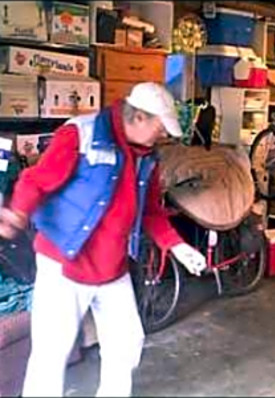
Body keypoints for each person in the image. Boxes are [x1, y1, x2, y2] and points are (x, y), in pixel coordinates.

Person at [0, 82, 208, 397]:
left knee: (126, 342)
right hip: (64, 262)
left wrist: (177, 246)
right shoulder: (79, 135)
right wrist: (17, 213)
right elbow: (36, 180)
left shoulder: (147, 157)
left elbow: (150, 211)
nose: (161, 136)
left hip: (111, 265)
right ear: (138, 117)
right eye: (159, 127)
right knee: (51, 353)